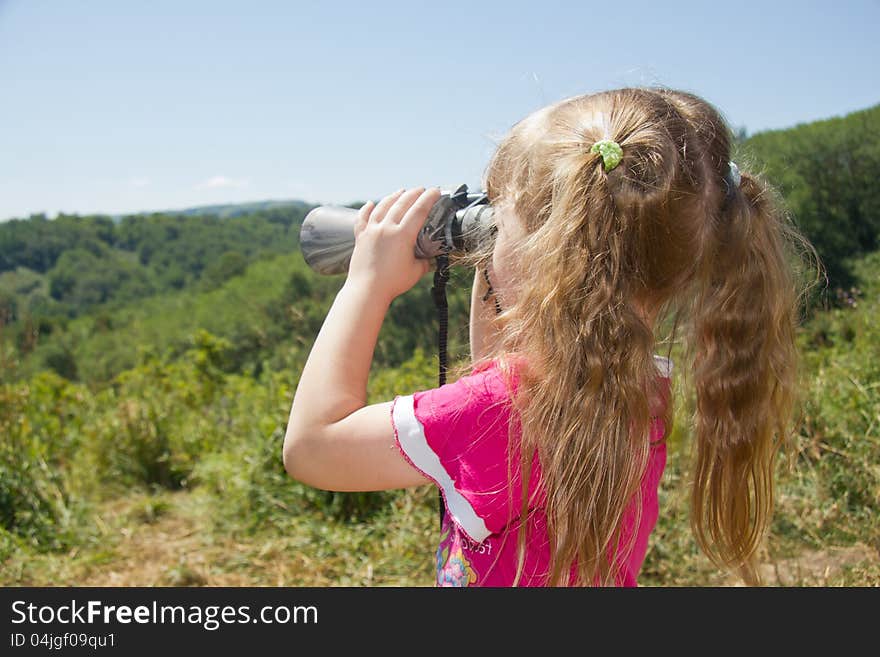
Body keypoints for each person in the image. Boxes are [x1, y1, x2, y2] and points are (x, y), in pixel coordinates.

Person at [282, 87, 818, 586]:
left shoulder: (501, 409)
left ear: (552, 254)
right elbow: (508, 360)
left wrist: (367, 284)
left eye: (501, 221)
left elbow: (313, 447)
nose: (492, 235)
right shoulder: (637, 386)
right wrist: (491, 263)